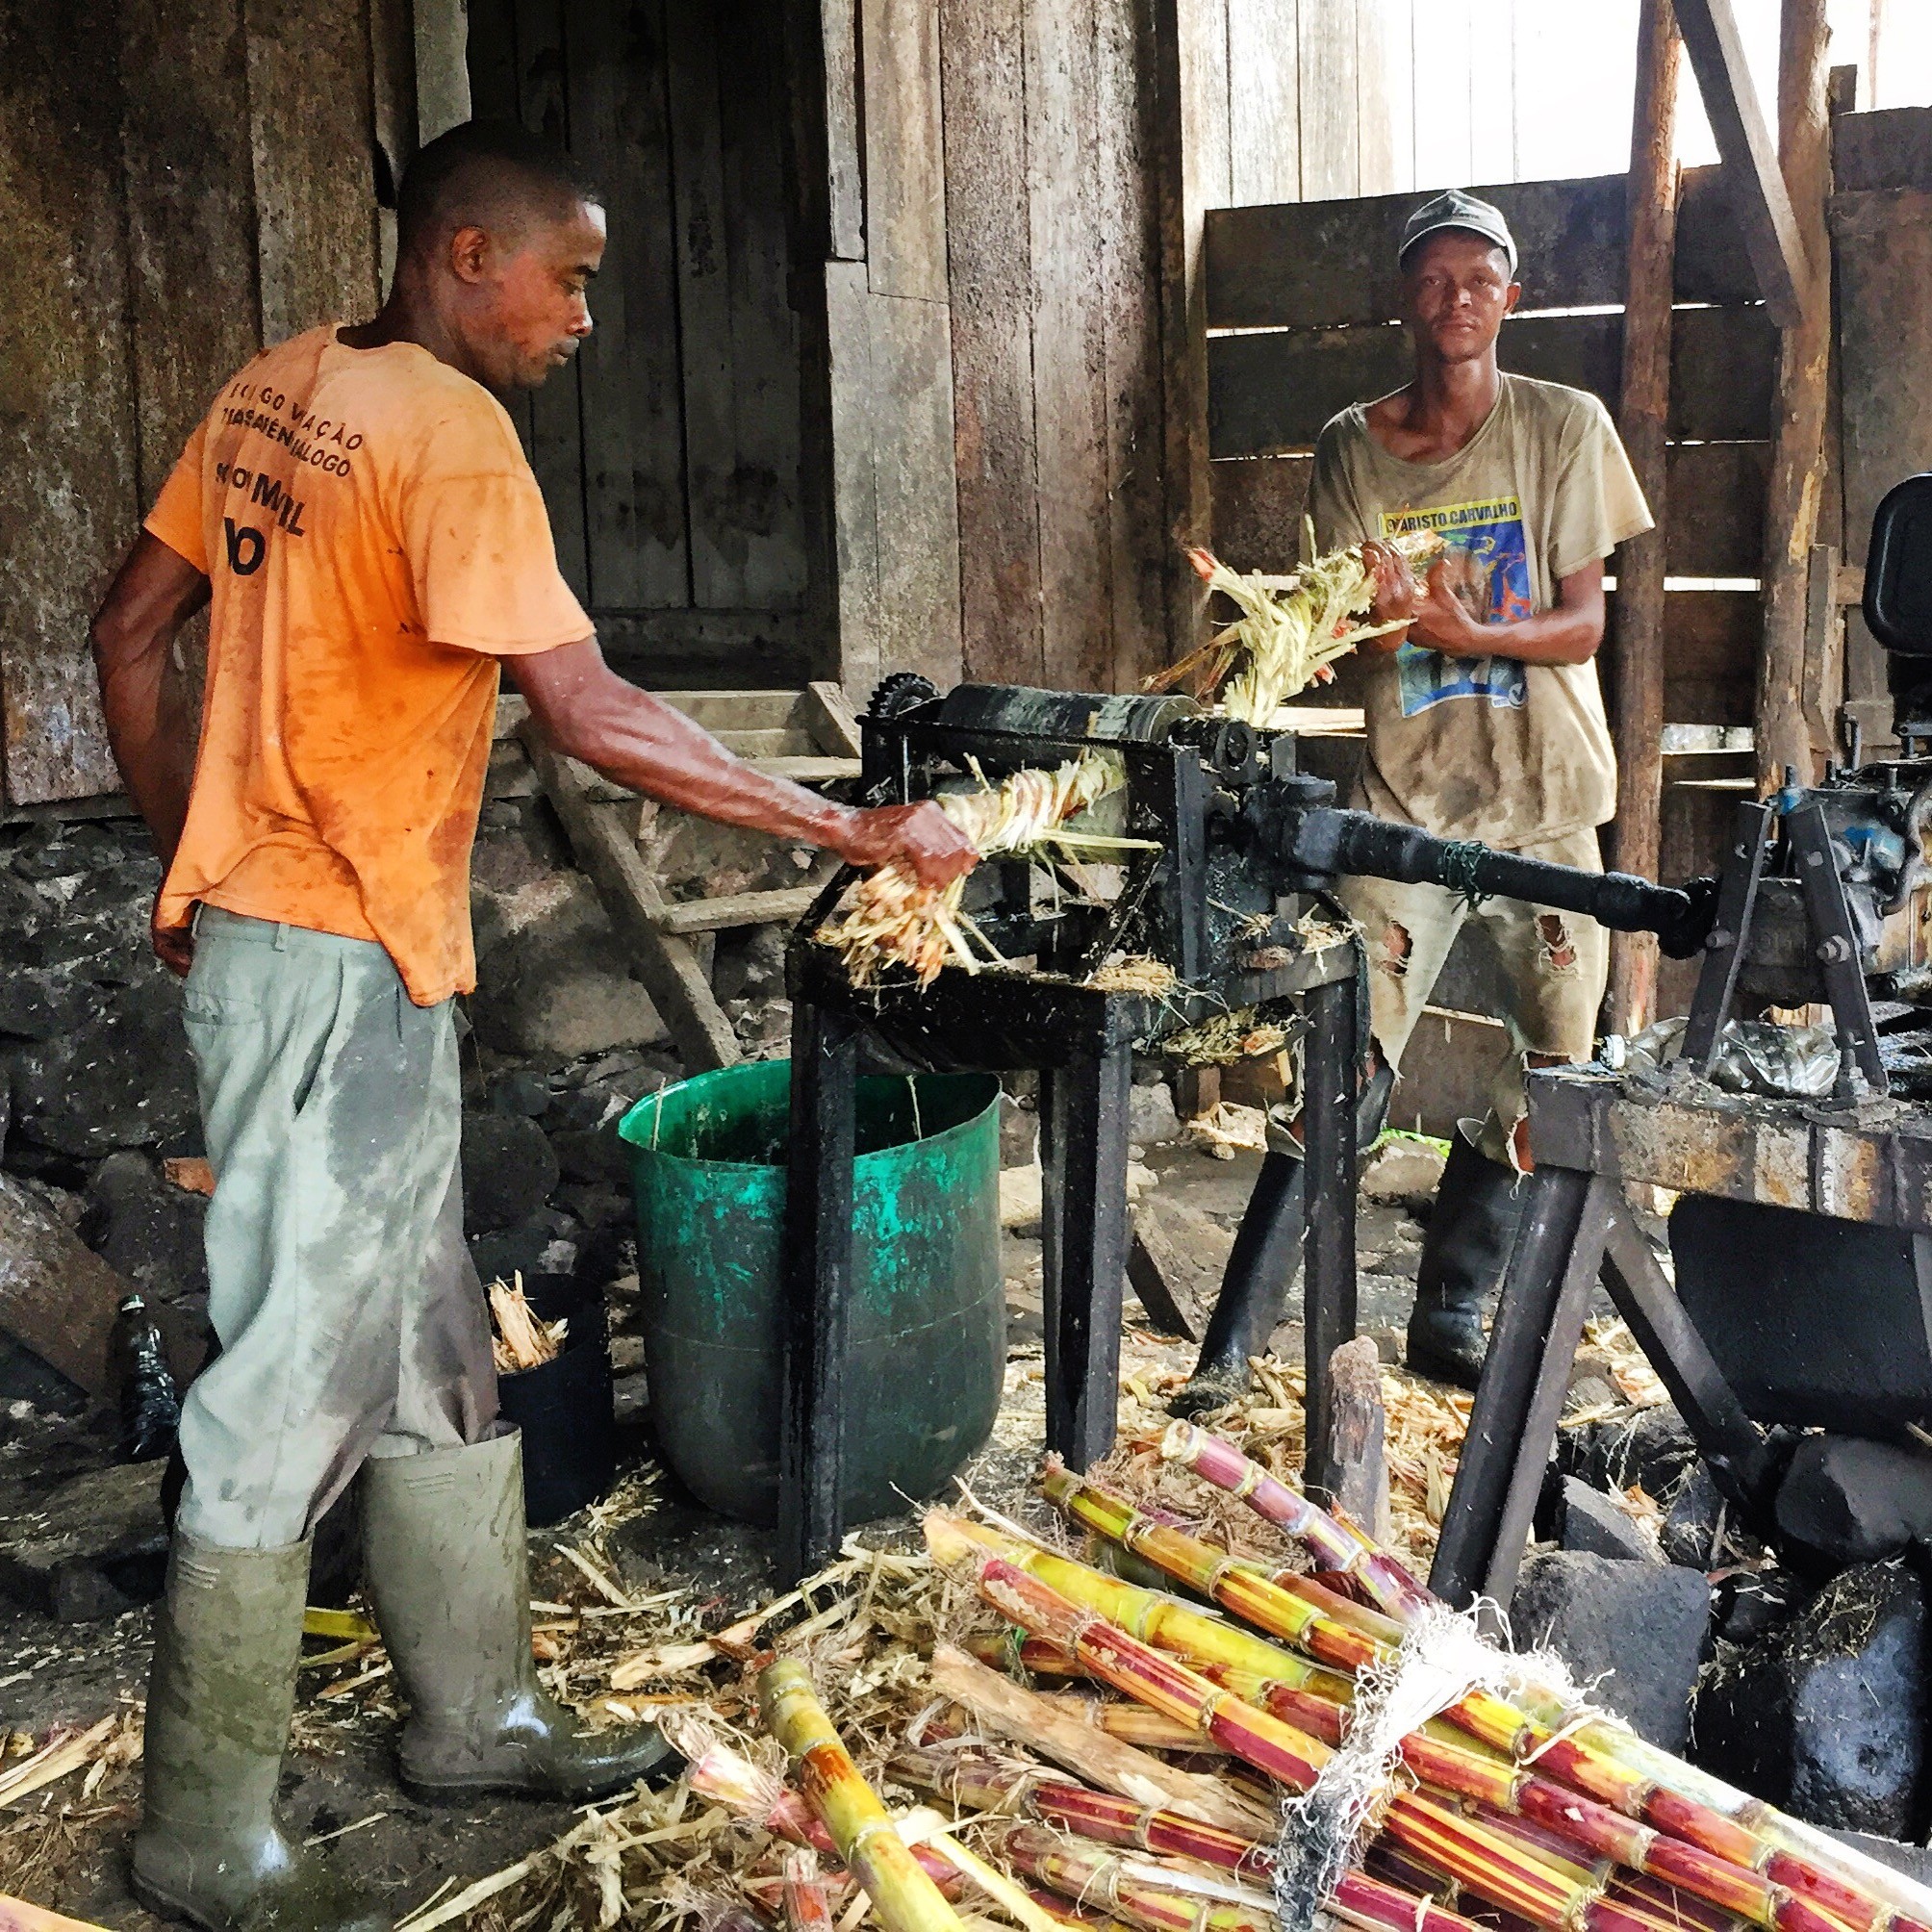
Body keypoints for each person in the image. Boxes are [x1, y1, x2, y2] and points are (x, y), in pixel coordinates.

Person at [89, 120, 975, 1932]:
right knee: (283, 1393)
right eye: (568, 278)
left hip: (318, 947)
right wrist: (849, 828)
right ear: (468, 252)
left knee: (432, 1347)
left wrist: (202, 854)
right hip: (332, 958)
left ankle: (473, 1717)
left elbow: (127, 629)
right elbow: (586, 710)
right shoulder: (453, 436)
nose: (582, 318)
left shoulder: (275, 386)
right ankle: (202, 1834)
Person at [1175, 188, 1651, 1411]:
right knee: (1340, 1056)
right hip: (1407, 803)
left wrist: (1462, 629)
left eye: (1478, 278)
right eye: (1433, 278)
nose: (1456, 299)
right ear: (1404, 298)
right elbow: (1362, 634)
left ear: (1511, 297)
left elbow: (1582, 627)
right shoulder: (1352, 445)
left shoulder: (1563, 425)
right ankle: (1230, 1353)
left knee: (1552, 1071)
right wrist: (1375, 628)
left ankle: (1449, 1314)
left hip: (1546, 798)